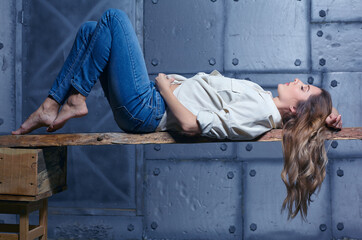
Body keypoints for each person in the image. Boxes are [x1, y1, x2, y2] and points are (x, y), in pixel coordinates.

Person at [12, 9, 342, 220]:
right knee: (89, 30)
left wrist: (165, 86)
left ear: (298, 108)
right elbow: (307, 114)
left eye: (304, 88)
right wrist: (328, 112)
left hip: (148, 107)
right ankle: (54, 104)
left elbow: (189, 124)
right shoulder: (263, 99)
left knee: (114, 18)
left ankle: (70, 102)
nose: (299, 81)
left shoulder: (258, 111)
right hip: (151, 100)